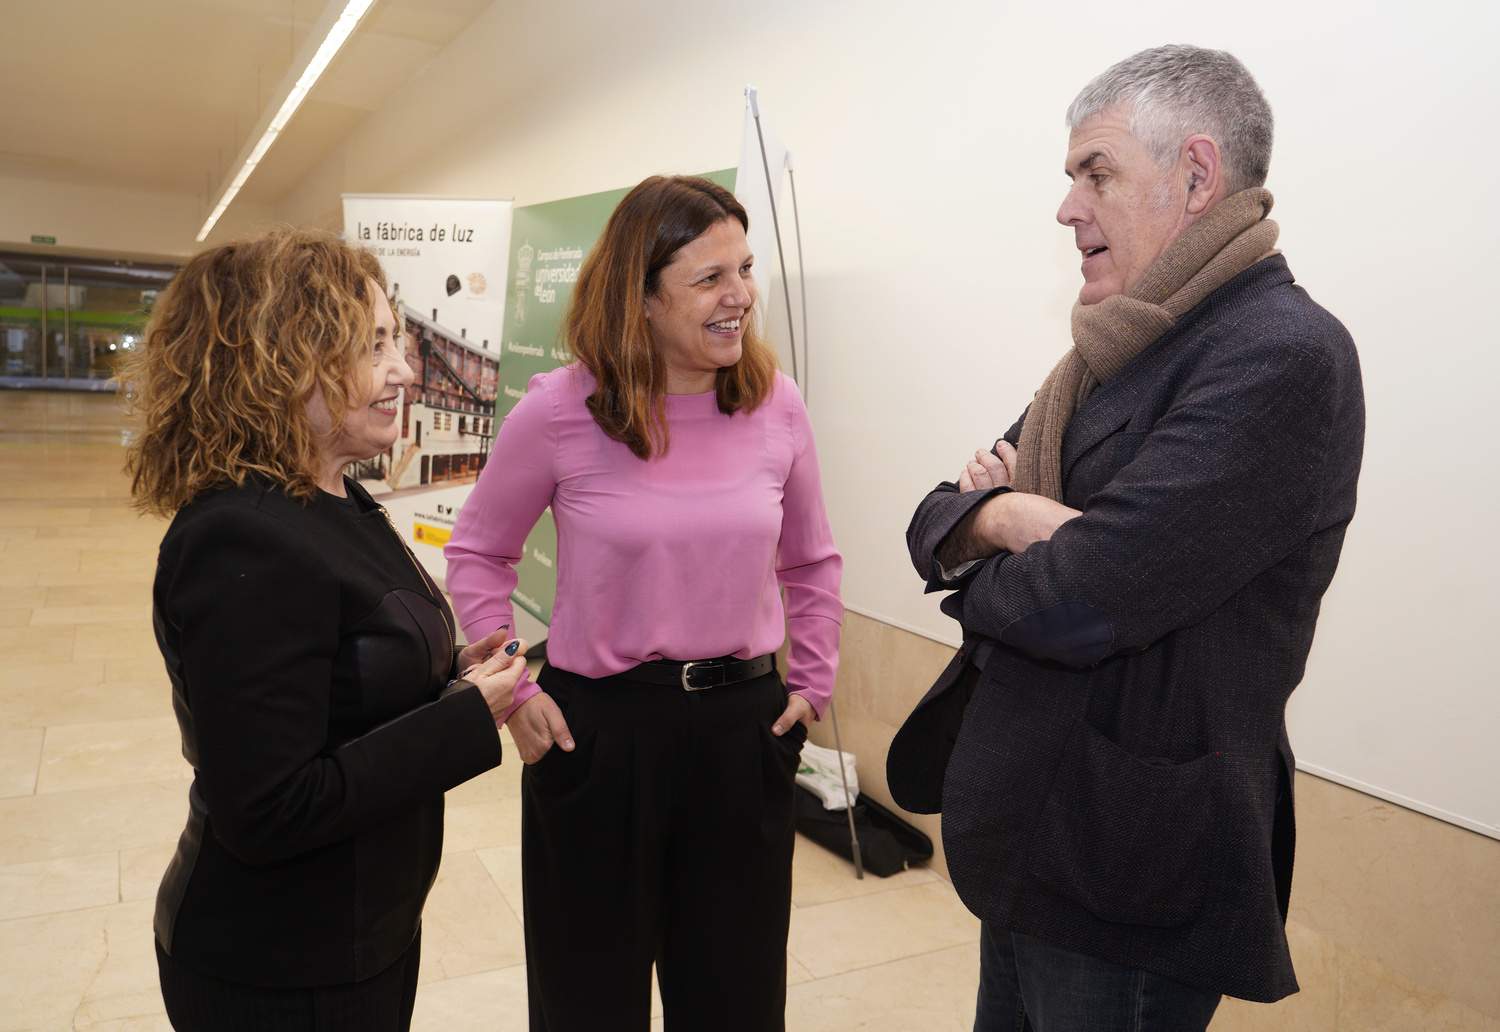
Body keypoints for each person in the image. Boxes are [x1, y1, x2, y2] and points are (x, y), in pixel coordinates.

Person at [887, 45, 1365, 1030]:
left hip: (1127, 868)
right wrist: (1009, 517)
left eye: (1094, 174)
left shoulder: (1280, 356)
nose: (1067, 208)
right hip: (1031, 837)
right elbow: (937, 514)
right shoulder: (1116, 346)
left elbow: (1082, 598)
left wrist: (993, 554)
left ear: (1196, 174)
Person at [445, 174, 842, 1031]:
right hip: (597, 736)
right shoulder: (560, 410)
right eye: (710, 278)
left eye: (744, 269)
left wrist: (810, 682)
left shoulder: (775, 403)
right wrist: (513, 688)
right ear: (642, 297)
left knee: (734, 999)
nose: (740, 297)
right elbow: (478, 552)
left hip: (743, 732)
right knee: (588, 1001)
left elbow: (811, 557)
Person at [124, 228, 529, 1032]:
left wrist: (448, 669)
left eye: (399, 342)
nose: (406, 370)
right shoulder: (242, 537)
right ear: (286, 361)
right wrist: (463, 718)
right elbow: (270, 809)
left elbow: (340, 666)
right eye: (375, 345)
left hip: (358, 935)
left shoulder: (334, 494)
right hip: (278, 967)